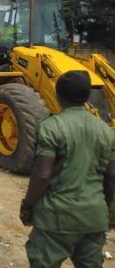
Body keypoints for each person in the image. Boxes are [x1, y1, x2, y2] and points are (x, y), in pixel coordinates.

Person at [20, 70, 115, 267]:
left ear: (58, 95)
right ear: (88, 96)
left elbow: (42, 174)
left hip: (56, 219)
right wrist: (103, 207)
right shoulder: (106, 131)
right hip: (94, 218)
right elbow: (111, 176)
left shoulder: (51, 127)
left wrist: (28, 204)